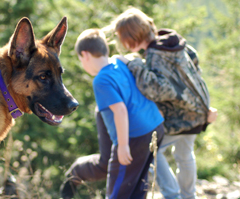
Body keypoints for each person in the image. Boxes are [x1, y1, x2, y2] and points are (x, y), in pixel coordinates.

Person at [111, 7, 217, 199]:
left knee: (154, 151)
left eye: (123, 38)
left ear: (132, 36)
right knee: (185, 155)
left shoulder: (156, 54)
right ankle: (188, 196)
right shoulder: (172, 42)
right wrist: (202, 103)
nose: (122, 43)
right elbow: (194, 61)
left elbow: (159, 89)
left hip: (180, 117)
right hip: (196, 111)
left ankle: (172, 195)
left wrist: (133, 64)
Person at [62, 28, 165, 199]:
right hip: (155, 127)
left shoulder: (101, 80)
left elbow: (120, 110)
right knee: (137, 187)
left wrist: (123, 146)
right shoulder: (119, 64)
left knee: (118, 192)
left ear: (85, 55)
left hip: (133, 138)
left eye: (81, 59)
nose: (82, 64)